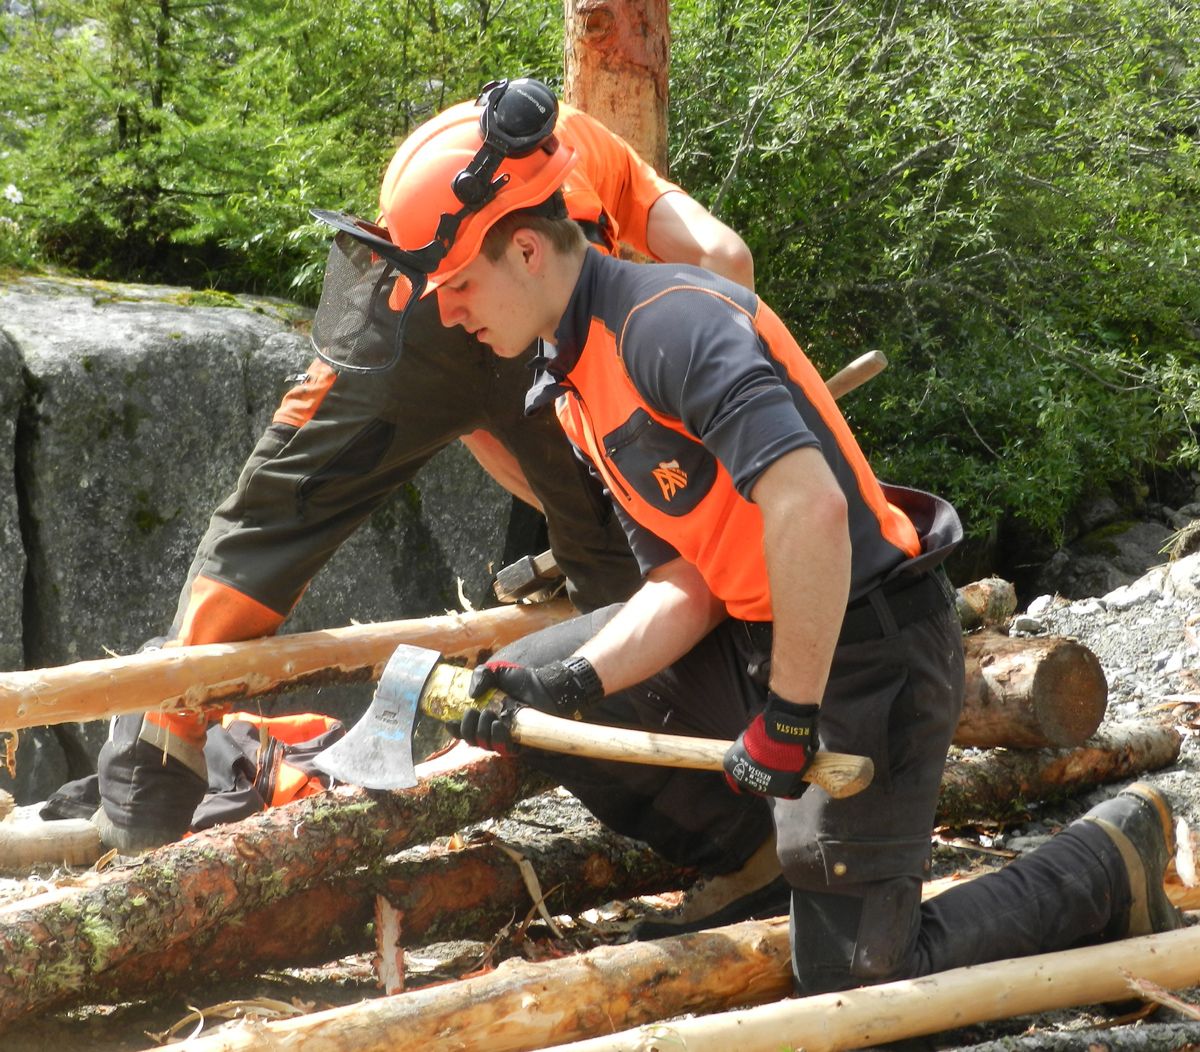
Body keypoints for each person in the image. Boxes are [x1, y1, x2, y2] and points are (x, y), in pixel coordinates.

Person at [372, 79, 1186, 993]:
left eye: (457, 284)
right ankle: (767, 864)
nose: (449, 312)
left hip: (864, 649)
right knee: (548, 673)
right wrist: (570, 683)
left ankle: (1103, 863)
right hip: (754, 642)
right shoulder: (575, 381)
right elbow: (685, 580)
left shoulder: (667, 325)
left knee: (857, 983)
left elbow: (813, 510)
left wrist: (792, 717)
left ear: (526, 248)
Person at [92, 79, 755, 854]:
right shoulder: (602, 162)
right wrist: (722, 406)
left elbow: (472, 408)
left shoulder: (429, 164)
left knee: (271, 523)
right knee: (635, 580)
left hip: (410, 298)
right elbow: (723, 258)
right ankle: (721, 819)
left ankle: (148, 789)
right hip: (539, 309)